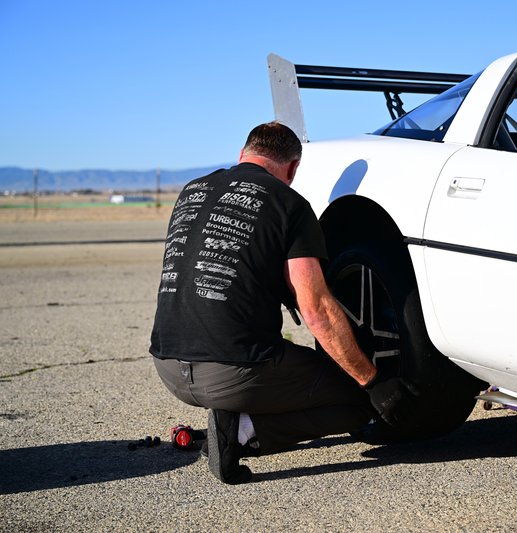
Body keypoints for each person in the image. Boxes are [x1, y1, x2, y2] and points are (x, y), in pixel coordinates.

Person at [150, 122, 415, 484]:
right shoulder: (288, 203)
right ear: (292, 168)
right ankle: (243, 429)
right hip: (230, 373)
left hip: (167, 366)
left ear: (243, 154)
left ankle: (234, 419)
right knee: (358, 400)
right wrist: (372, 382)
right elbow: (316, 309)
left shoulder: (191, 192)